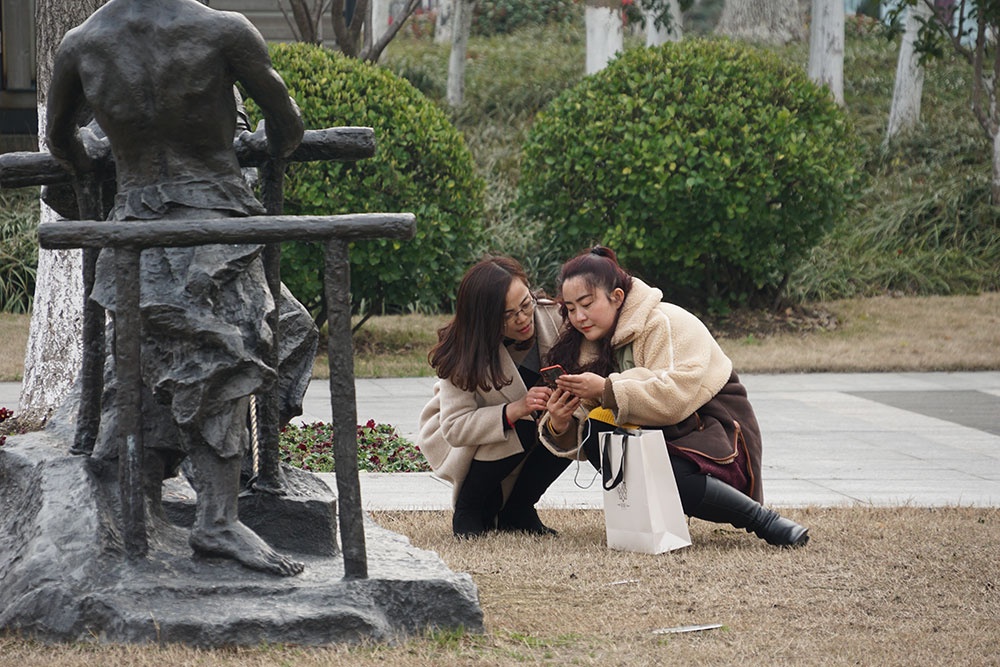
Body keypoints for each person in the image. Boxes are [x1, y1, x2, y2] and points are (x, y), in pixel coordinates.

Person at [45, 0, 309, 575]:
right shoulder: (223, 31)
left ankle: (178, 495)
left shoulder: (82, 44)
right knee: (229, 352)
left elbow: (61, 144)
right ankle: (217, 519)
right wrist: (255, 141)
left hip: (135, 225)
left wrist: (99, 150)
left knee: (175, 355)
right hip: (214, 220)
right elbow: (287, 130)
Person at [540, 247, 809, 548]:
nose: (578, 317)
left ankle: (763, 520)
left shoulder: (665, 321)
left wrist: (606, 390)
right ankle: (652, 520)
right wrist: (560, 423)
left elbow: (673, 399)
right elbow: (590, 422)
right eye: (570, 308)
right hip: (665, 433)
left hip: (715, 428)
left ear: (616, 296)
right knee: (597, 430)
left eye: (587, 304)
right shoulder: (586, 345)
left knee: (661, 470)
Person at [418, 257, 571, 538]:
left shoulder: (554, 317)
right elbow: (454, 427)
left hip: (530, 433)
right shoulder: (464, 348)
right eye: (506, 316)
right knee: (522, 423)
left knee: (570, 427)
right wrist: (515, 409)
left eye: (525, 304)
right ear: (484, 319)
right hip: (469, 441)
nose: (522, 319)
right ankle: (468, 506)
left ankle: (519, 509)